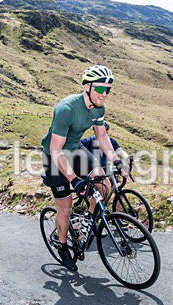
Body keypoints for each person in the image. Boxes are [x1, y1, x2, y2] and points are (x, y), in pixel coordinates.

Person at [41, 65, 121, 271]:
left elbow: (102, 137)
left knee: (103, 182)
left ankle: (87, 220)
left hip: (75, 150)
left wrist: (115, 159)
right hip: (54, 156)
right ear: (87, 87)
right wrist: (74, 180)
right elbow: (56, 149)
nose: (105, 95)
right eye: (101, 89)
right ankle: (63, 246)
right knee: (65, 208)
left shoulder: (98, 109)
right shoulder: (66, 109)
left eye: (108, 90)